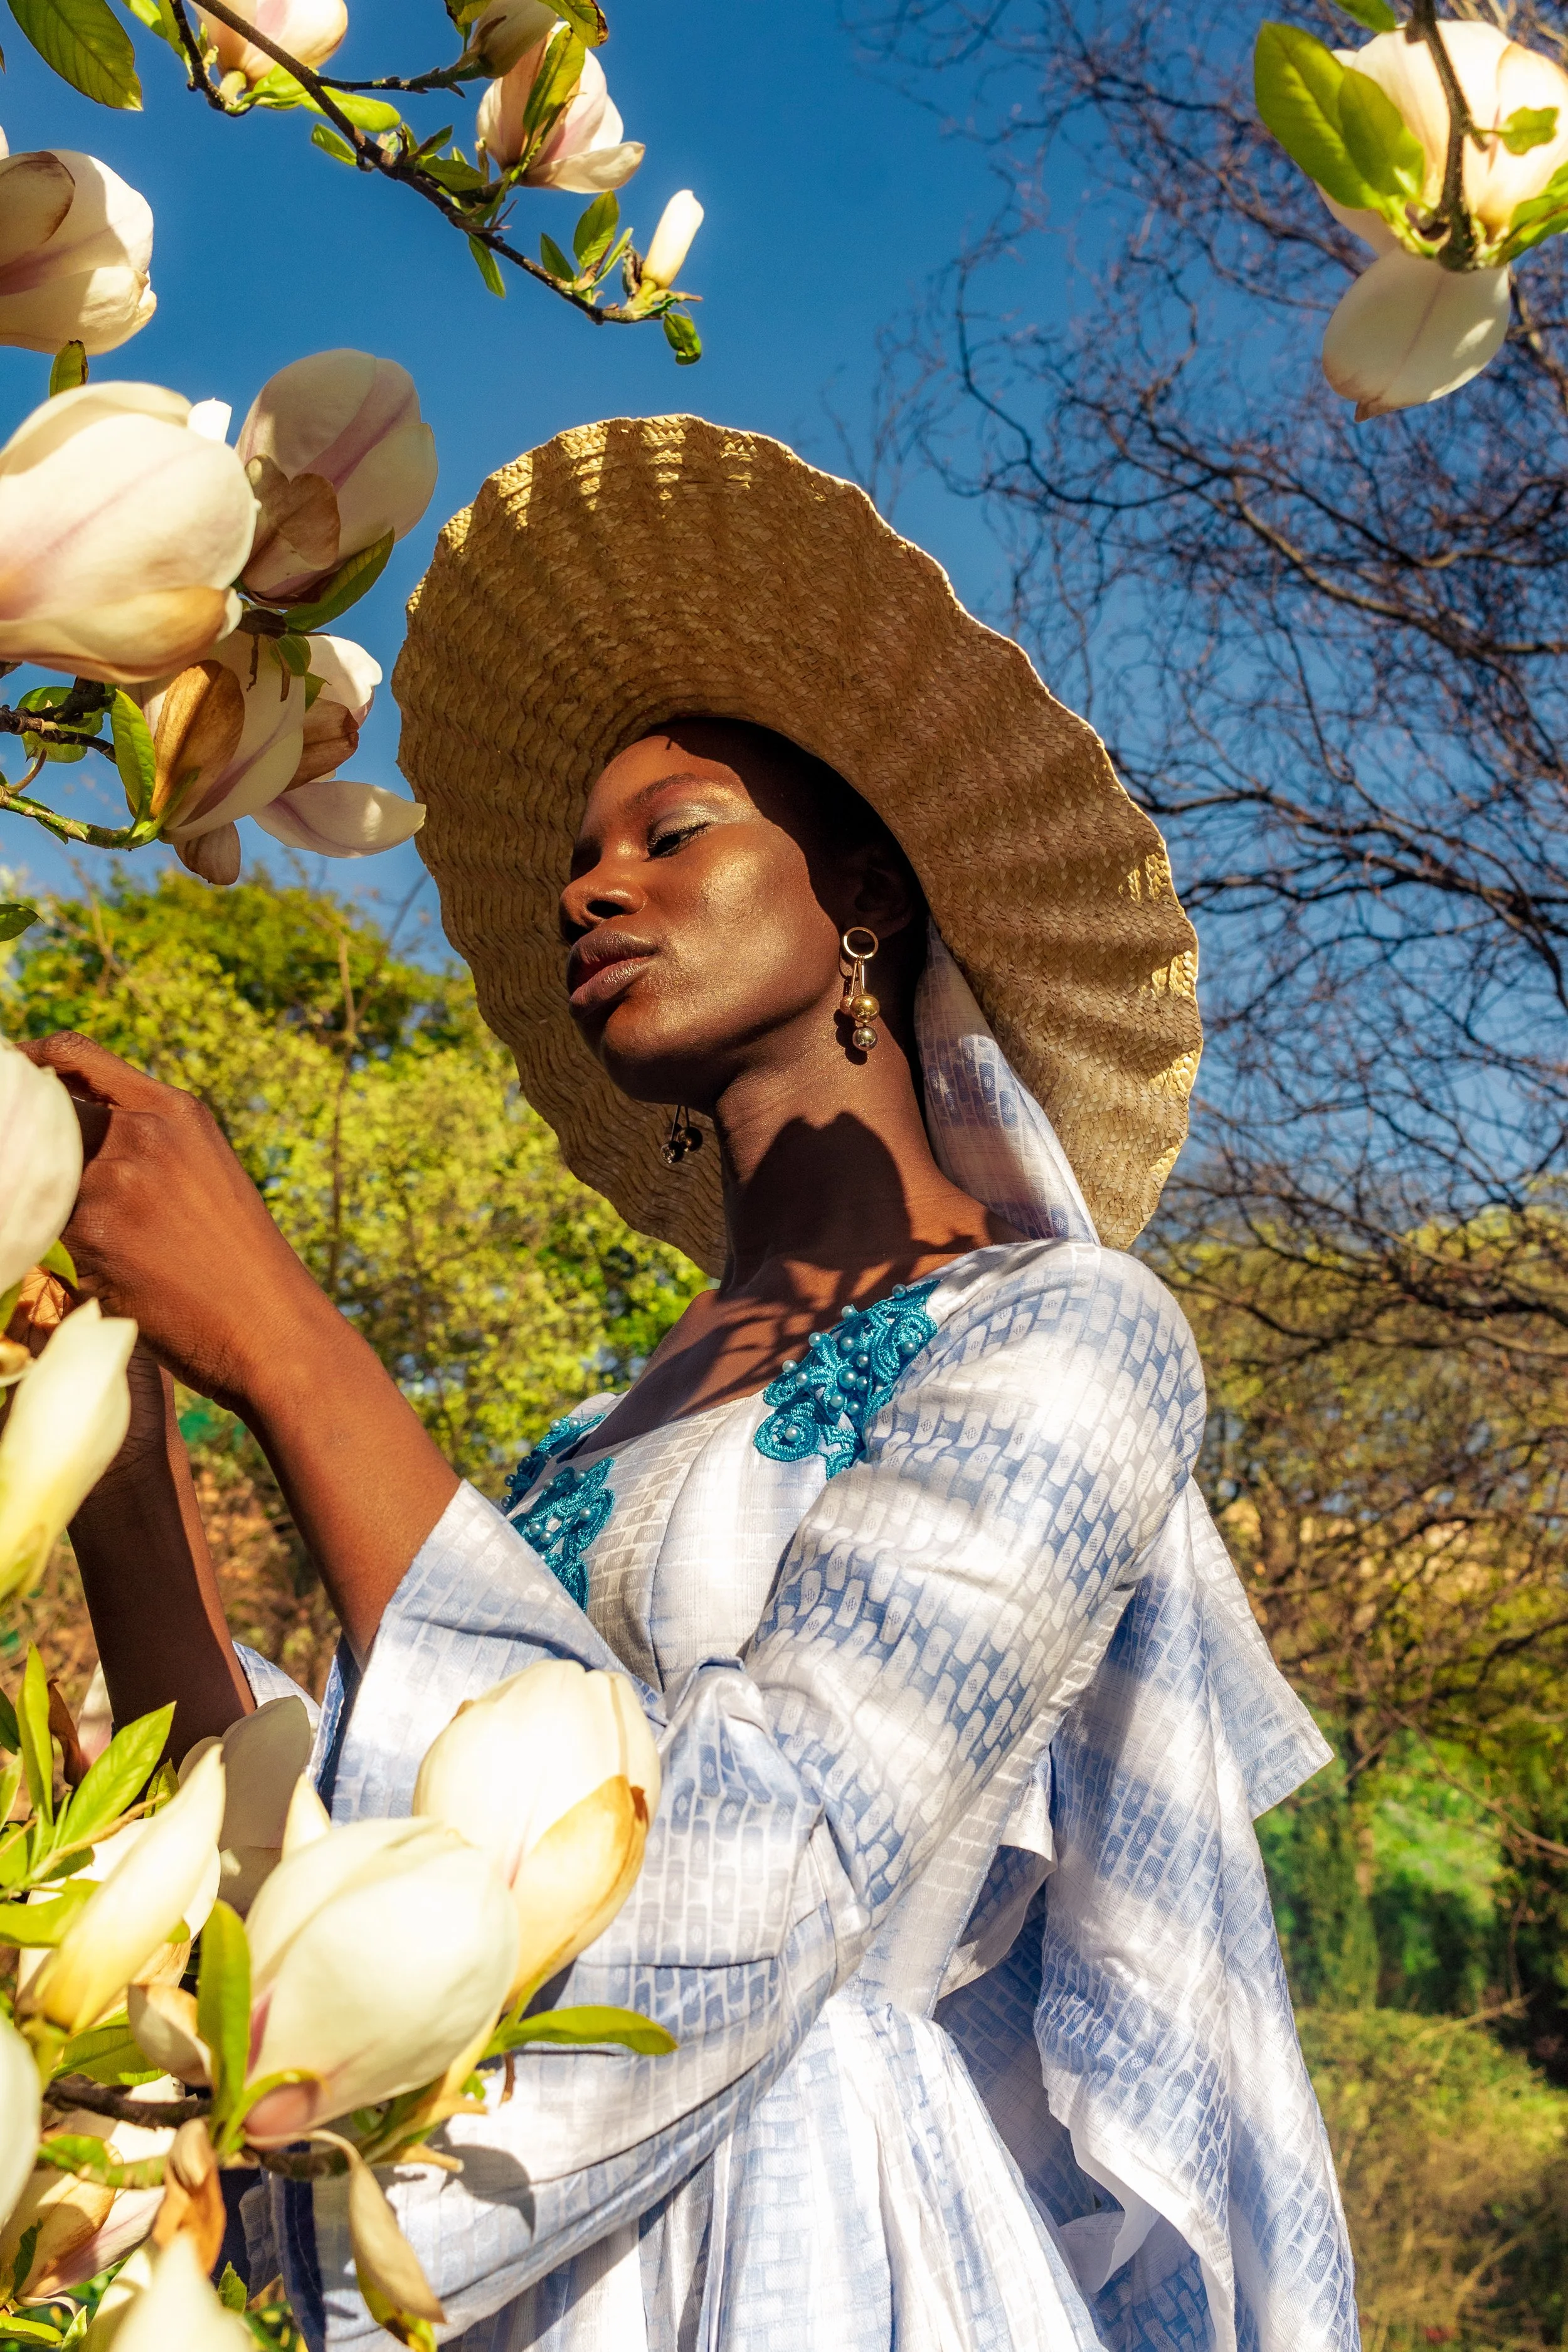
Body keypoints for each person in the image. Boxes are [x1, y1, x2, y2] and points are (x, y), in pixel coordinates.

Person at [30, 417, 1358, 2352]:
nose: (592, 891)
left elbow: (764, 1851)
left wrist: (294, 1345)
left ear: (865, 903)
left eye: (672, 837)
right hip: (507, 2244)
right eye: (574, 862)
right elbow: (314, 1907)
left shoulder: (1066, 1339)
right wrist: (126, 1451)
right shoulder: (580, 1448)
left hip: (818, 2238)